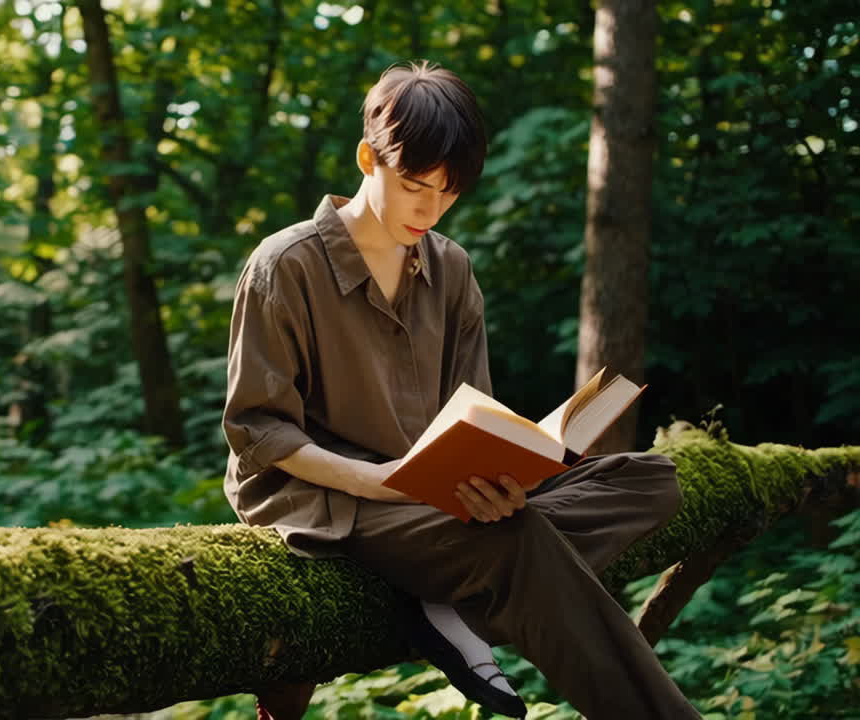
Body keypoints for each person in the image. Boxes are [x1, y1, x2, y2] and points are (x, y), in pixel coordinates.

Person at [221, 61, 701, 720]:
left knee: (651, 480)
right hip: (322, 495)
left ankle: (441, 593)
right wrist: (379, 481)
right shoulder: (285, 265)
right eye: (415, 184)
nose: (430, 208)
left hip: (429, 495)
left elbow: (469, 415)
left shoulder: (451, 268)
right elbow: (259, 431)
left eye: (449, 192)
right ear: (368, 157)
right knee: (516, 542)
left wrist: (501, 477)